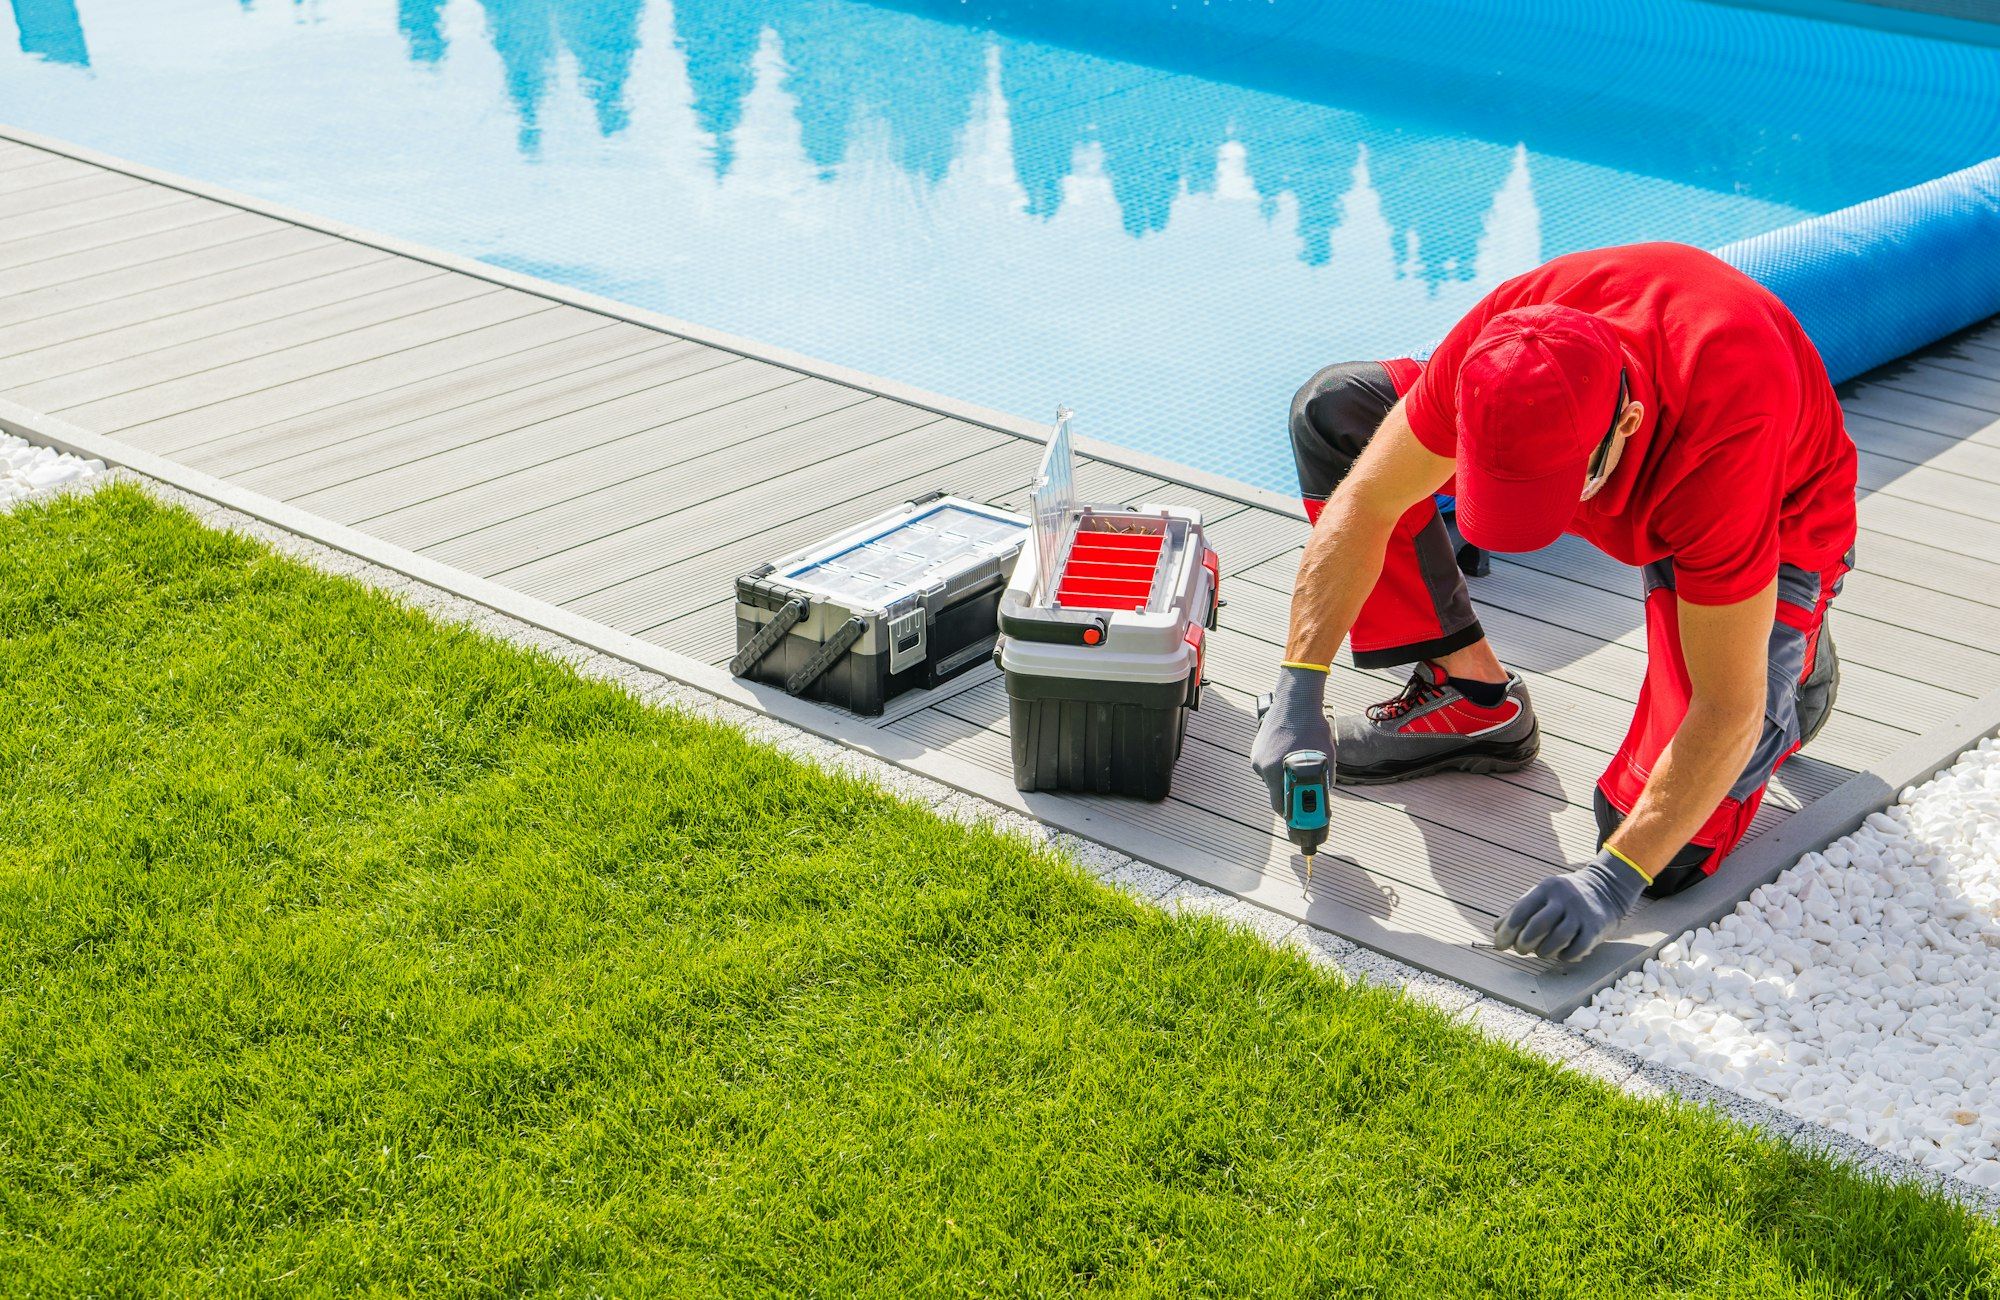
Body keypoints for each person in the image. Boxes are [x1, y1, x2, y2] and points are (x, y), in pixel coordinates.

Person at [1251, 242, 1858, 964]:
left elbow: (1724, 709)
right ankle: (1470, 699)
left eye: (1549, 495)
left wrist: (1612, 879)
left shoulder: (1723, 442)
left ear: (1624, 427)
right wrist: (1299, 685)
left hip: (1773, 520)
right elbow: (1367, 502)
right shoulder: (1499, 347)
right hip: (1646, 462)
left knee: (1666, 849)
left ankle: (1796, 665)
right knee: (1337, 414)